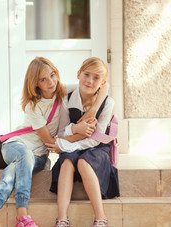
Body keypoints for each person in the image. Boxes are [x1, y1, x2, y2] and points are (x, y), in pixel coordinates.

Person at [0, 57, 109, 227]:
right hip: (15, 145)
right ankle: (22, 213)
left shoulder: (62, 91)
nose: (51, 82)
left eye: (52, 75)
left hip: (39, 156)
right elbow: (50, 141)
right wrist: (78, 132)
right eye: (43, 79)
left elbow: (104, 86)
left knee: (12, 171)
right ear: (35, 83)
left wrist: (93, 110)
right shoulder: (33, 106)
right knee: (24, 155)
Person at [46, 57, 120, 227]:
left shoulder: (108, 103)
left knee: (83, 162)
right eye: (86, 74)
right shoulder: (67, 97)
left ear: (102, 83)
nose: (89, 81)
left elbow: (97, 138)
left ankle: (101, 218)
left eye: (96, 78)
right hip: (73, 142)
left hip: (97, 147)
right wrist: (75, 130)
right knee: (66, 162)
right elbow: (62, 131)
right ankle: (62, 219)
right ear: (78, 74)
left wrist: (67, 144)